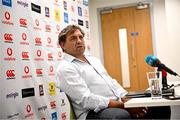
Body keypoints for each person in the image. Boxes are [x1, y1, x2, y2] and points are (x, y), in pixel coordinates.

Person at [56, 24, 171, 119]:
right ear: (62, 44)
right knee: (120, 116)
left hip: (116, 104)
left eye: (81, 37)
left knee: (160, 106)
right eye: (73, 38)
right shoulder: (65, 68)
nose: (79, 41)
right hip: (92, 112)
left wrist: (126, 97)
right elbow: (87, 100)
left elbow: (111, 82)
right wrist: (124, 106)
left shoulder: (93, 59)